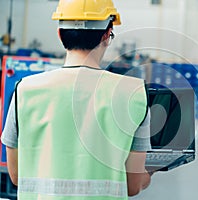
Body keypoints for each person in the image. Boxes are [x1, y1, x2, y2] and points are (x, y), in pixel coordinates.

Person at [1, 0, 153, 199]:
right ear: (107, 35)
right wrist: (150, 173)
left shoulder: (25, 91)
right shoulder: (134, 93)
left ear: (60, 34)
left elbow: (17, 176)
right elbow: (132, 186)